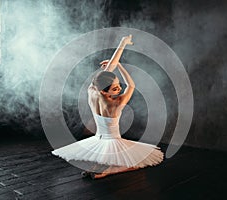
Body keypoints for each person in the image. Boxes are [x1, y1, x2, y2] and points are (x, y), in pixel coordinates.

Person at [52, 35, 164, 179]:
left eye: (118, 86)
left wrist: (122, 43)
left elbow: (107, 71)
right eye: (115, 88)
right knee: (137, 163)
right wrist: (121, 66)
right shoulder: (115, 104)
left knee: (110, 158)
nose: (119, 89)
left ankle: (96, 168)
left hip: (99, 139)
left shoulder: (92, 91)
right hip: (113, 141)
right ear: (105, 90)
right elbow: (131, 85)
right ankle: (105, 172)